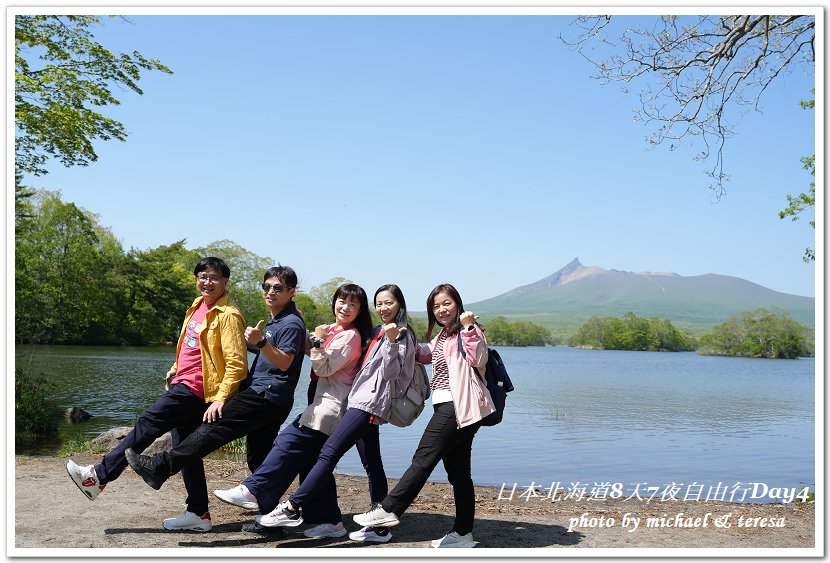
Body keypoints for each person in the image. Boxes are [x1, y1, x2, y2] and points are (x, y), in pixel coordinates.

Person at [65, 257, 248, 532]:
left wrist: (221, 397)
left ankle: (98, 477)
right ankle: (199, 513)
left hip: (197, 389)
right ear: (196, 278)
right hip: (183, 382)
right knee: (186, 451)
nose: (207, 282)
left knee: (147, 424)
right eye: (202, 276)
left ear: (225, 281)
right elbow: (190, 347)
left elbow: (236, 363)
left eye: (214, 277)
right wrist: (175, 368)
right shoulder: (198, 306)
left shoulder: (229, 315)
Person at [123, 265, 307, 530]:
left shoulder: (290, 322)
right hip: (273, 398)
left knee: (212, 429)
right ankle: (270, 518)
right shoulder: (278, 319)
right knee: (259, 457)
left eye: (278, 288)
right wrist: (246, 343)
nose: (270, 292)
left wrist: (262, 344)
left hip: (265, 394)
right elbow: (271, 354)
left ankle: (161, 466)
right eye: (266, 286)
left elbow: (286, 363)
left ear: (291, 291)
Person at [236, 284, 416, 544]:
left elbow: (392, 373)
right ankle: (379, 526)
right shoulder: (377, 331)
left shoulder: (398, 334)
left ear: (400, 305)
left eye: (389, 303)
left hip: (367, 406)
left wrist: (390, 342)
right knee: (372, 464)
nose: (383, 308)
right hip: (359, 402)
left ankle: (290, 508)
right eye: (379, 303)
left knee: (328, 453)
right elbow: (418, 355)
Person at [209, 284, 375, 538]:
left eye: (352, 305)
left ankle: (253, 491)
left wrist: (317, 341)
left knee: (288, 441)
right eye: (341, 301)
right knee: (311, 461)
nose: (344, 307)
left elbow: (323, 369)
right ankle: (330, 521)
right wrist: (310, 340)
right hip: (321, 401)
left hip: (330, 405)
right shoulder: (338, 331)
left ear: (360, 311)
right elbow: (315, 355)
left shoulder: (350, 336)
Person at [352, 283, 495, 548]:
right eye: (436, 306)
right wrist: (402, 338)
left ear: (458, 304)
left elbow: (478, 359)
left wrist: (470, 328)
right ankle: (464, 534)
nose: (442, 310)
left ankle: (389, 509)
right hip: (448, 407)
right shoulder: (443, 336)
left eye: (447, 303)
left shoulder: (469, 331)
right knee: (459, 475)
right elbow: (424, 355)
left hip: (459, 407)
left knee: (423, 457)